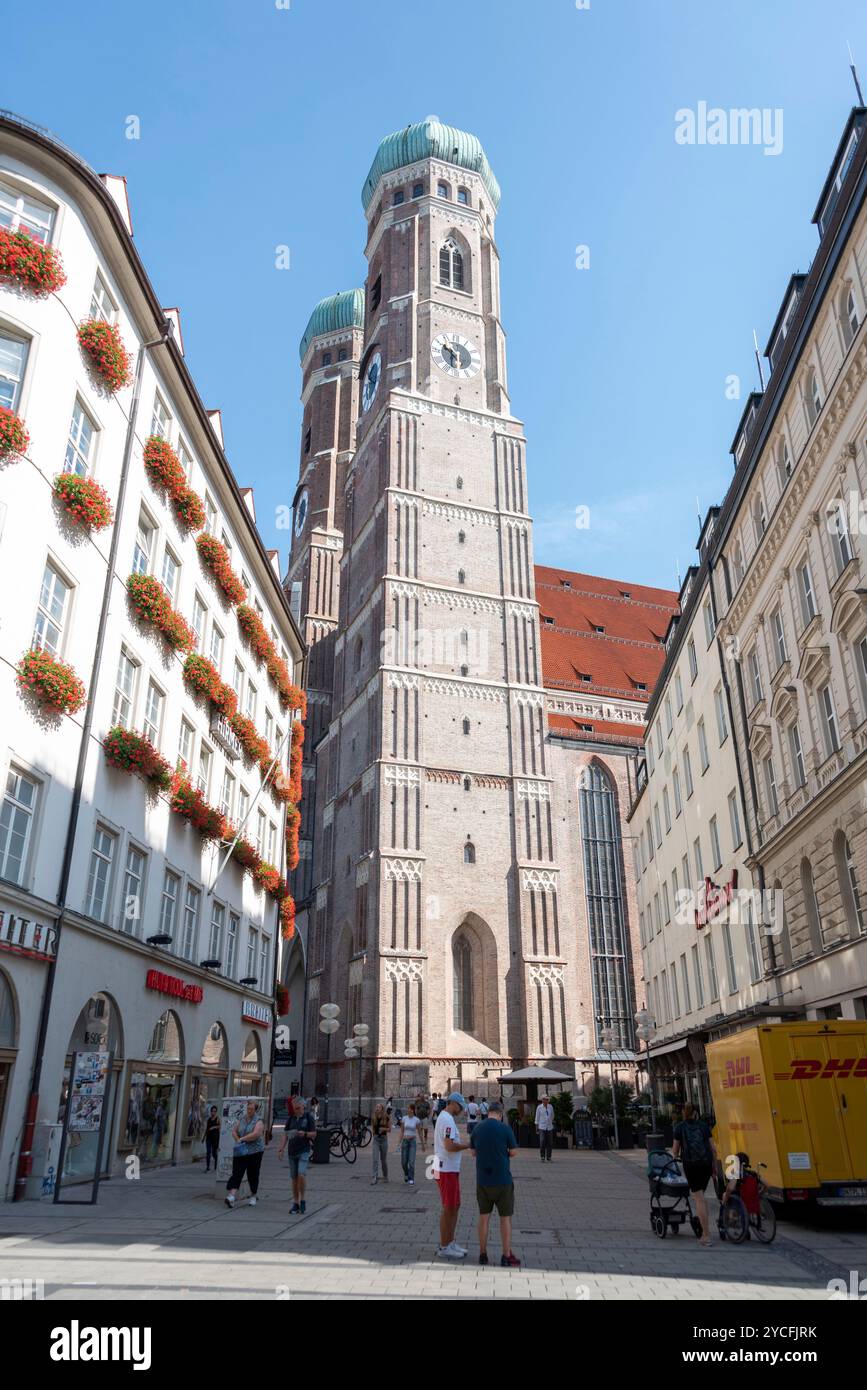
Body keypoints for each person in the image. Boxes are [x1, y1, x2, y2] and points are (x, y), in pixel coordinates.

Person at [470, 1100, 521, 1267]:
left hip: (483, 1180)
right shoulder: (505, 1128)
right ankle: (506, 1255)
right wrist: (502, 1151)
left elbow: (473, 1152)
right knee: (505, 1219)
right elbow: (513, 1152)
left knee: (483, 1217)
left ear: (488, 1112)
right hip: (502, 1181)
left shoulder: (477, 1128)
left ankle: (482, 1254)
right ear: (500, 1114)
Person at [672, 1101, 718, 1247]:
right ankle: (702, 1225)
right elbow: (714, 1149)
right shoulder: (704, 1127)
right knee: (701, 1197)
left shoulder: (679, 1128)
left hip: (691, 1165)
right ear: (695, 1113)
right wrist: (714, 1167)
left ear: (683, 1113)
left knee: (698, 1198)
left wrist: (675, 1159)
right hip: (706, 1165)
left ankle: (706, 1235)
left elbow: (675, 1152)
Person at [434, 1092, 471, 1259]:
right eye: (460, 1106)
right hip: (445, 1168)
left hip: (447, 1167)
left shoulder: (445, 1118)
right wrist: (467, 1145)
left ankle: (450, 1242)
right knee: (449, 1207)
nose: (461, 1110)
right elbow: (449, 1146)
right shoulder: (447, 1119)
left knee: (455, 1205)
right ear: (453, 1103)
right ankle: (444, 1246)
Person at [278, 1095, 316, 1214]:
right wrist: (281, 1149)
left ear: (303, 1107)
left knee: (301, 1173)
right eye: (295, 1108)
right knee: (294, 1178)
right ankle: (296, 1203)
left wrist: (304, 1134)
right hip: (292, 1151)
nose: (296, 1110)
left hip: (303, 1150)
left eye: (298, 1108)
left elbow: (314, 1134)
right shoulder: (291, 1118)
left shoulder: (308, 1117)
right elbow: (285, 1134)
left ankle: (303, 1199)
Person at [224, 1100, 265, 1209]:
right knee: (237, 1172)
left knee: (253, 1174)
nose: (249, 1111)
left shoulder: (259, 1121)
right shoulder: (242, 1119)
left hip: (255, 1152)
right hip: (241, 1151)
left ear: (255, 1110)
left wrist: (242, 1139)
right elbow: (234, 1131)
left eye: (251, 1109)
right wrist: (238, 1139)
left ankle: (253, 1195)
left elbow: (256, 1134)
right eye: (248, 1108)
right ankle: (231, 1196)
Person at [400, 1103, 423, 1184]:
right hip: (405, 1141)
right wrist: (399, 1142)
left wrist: (423, 1144)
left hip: (412, 1142)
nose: (408, 1110)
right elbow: (402, 1131)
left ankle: (411, 1178)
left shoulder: (416, 1120)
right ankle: (406, 1173)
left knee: (411, 1162)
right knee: (403, 1162)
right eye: (407, 1108)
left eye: (409, 1108)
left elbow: (420, 1132)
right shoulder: (404, 1118)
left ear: (412, 1110)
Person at [371, 1102, 391, 1185]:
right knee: (375, 1159)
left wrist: (383, 1129)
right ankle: (374, 1177)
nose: (377, 1108)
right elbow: (372, 1127)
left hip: (383, 1140)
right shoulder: (373, 1117)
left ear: (382, 1109)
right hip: (376, 1140)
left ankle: (385, 1176)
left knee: (383, 1160)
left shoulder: (386, 1117)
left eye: (379, 1107)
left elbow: (389, 1129)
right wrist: (374, 1134)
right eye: (376, 1107)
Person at [535, 1095, 555, 1162]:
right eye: (544, 1099)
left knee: (550, 1142)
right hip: (542, 1127)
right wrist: (537, 1128)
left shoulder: (550, 1107)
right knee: (542, 1141)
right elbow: (537, 1118)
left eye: (546, 1099)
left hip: (549, 1127)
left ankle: (549, 1157)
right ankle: (542, 1156)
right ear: (542, 1100)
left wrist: (550, 1121)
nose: (545, 1101)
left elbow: (552, 1115)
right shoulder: (539, 1107)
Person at [204, 1105, 220, 1172]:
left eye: (214, 1111)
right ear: (210, 1112)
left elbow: (220, 1126)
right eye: (212, 1111)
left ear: (216, 1112)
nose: (213, 1113)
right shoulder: (209, 1119)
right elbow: (207, 1128)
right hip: (208, 1138)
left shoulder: (218, 1119)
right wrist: (204, 1137)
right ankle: (207, 1167)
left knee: (214, 1153)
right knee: (208, 1152)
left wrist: (214, 1127)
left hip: (215, 1138)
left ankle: (216, 1162)